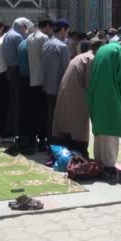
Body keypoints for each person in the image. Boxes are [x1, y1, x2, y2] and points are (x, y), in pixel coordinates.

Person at [87, 33, 121, 185]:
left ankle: (98, 163)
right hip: (110, 95)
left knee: (100, 129)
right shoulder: (120, 51)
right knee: (111, 128)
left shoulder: (103, 48)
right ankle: (108, 165)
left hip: (95, 94)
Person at [52, 38, 104, 158]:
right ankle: (80, 152)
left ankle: (69, 149)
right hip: (77, 94)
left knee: (68, 123)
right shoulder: (91, 59)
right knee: (80, 123)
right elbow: (90, 83)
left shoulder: (80, 56)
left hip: (66, 92)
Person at [3, 17, 34, 137]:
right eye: (25, 28)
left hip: (9, 70)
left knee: (13, 100)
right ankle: (16, 128)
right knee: (18, 100)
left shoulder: (8, 34)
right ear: (22, 26)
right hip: (16, 71)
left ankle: (10, 127)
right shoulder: (17, 37)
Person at [43, 19, 71, 148]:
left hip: (47, 86)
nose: (67, 34)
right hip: (58, 87)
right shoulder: (62, 46)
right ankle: (57, 140)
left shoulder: (47, 43)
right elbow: (67, 69)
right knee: (59, 116)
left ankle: (50, 139)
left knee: (49, 114)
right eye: (67, 31)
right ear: (63, 29)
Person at [26, 18, 53, 146]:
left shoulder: (30, 37)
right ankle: (42, 139)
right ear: (47, 26)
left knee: (35, 109)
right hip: (42, 79)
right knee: (43, 111)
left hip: (33, 78)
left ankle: (34, 136)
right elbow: (46, 58)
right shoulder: (43, 38)